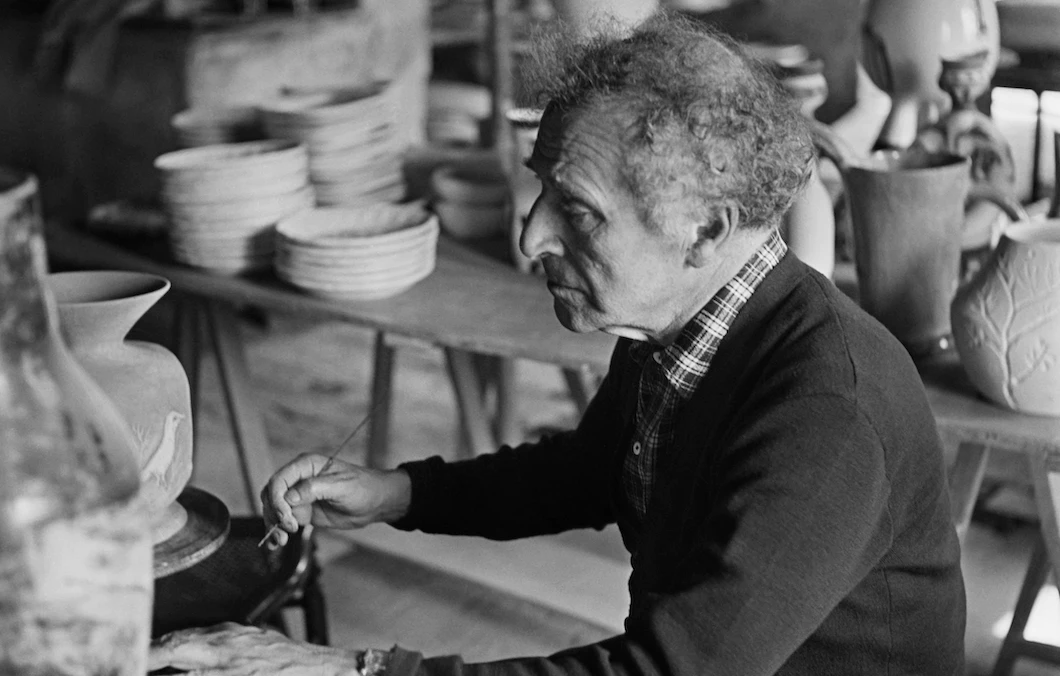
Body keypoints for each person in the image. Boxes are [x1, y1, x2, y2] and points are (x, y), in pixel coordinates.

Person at [148, 12, 964, 676]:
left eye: (575, 210)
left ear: (705, 230)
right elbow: (589, 471)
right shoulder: (674, 330)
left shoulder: (828, 414)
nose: (531, 235)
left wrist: (349, 669)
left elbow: (665, 670)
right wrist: (397, 493)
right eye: (540, 189)